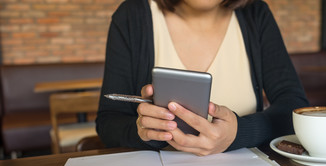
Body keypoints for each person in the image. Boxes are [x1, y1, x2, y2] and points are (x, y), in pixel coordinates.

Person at [96, 0, 309, 156]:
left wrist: (240, 132)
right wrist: (146, 132)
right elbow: (108, 122)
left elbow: (295, 106)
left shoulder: (256, 14)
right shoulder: (132, 16)